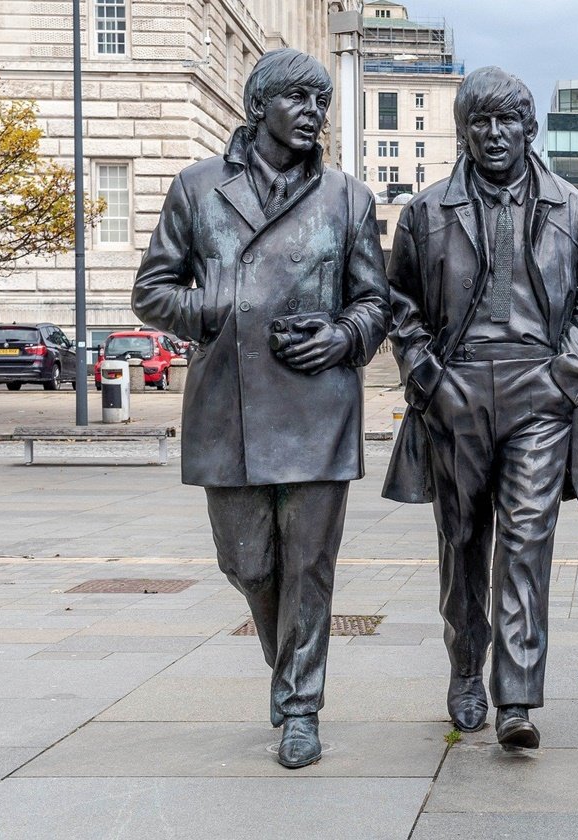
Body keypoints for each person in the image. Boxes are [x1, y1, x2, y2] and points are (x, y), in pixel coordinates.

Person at [132, 49, 389, 768]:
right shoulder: (198, 188)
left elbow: (377, 302)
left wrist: (343, 334)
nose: (314, 112)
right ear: (258, 108)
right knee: (247, 563)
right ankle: (289, 671)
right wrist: (213, 306)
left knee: (309, 566)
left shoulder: (347, 197)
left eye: (322, 101)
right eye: (300, 99)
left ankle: (302, 707)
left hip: (319, 404)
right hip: (229, 408)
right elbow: (151, 291)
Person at [381, 66, 578, 750]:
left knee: (527, 543)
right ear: (464, 131)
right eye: (478, 122)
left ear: (529, 127)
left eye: (506, 120)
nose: (493, 134)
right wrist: (428, 379)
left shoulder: (573, 209)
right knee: (462, 542)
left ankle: (517, 696)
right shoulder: (425, 212)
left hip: (538, 392)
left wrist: (564, 374)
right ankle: (463, 666)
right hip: (455, 390)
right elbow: (401, 308)